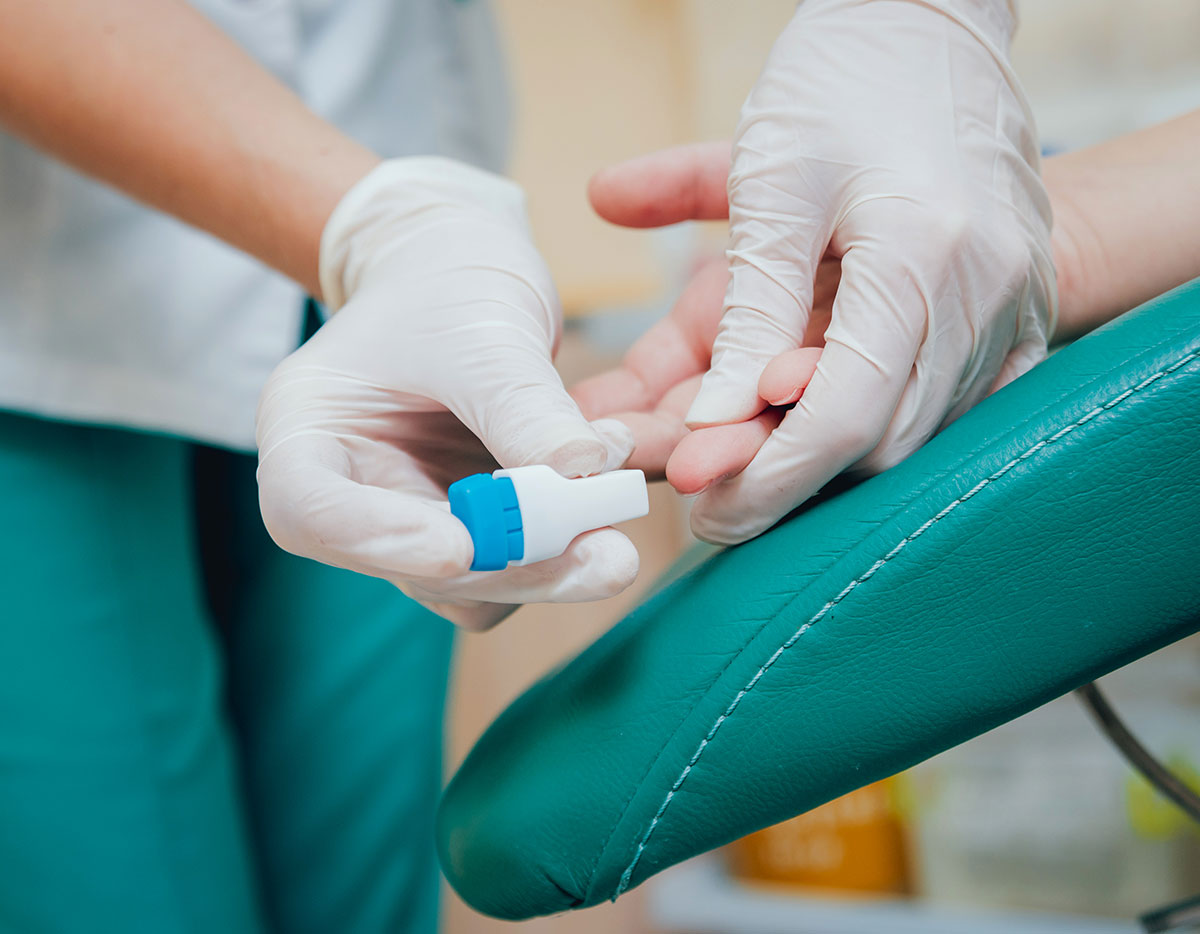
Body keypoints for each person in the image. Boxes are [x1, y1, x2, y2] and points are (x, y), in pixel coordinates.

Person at [1, 0, 1196, 932]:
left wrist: (930, 41)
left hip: (395, 242)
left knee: (356, 883)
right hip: (47, 315)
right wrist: (380, 223)